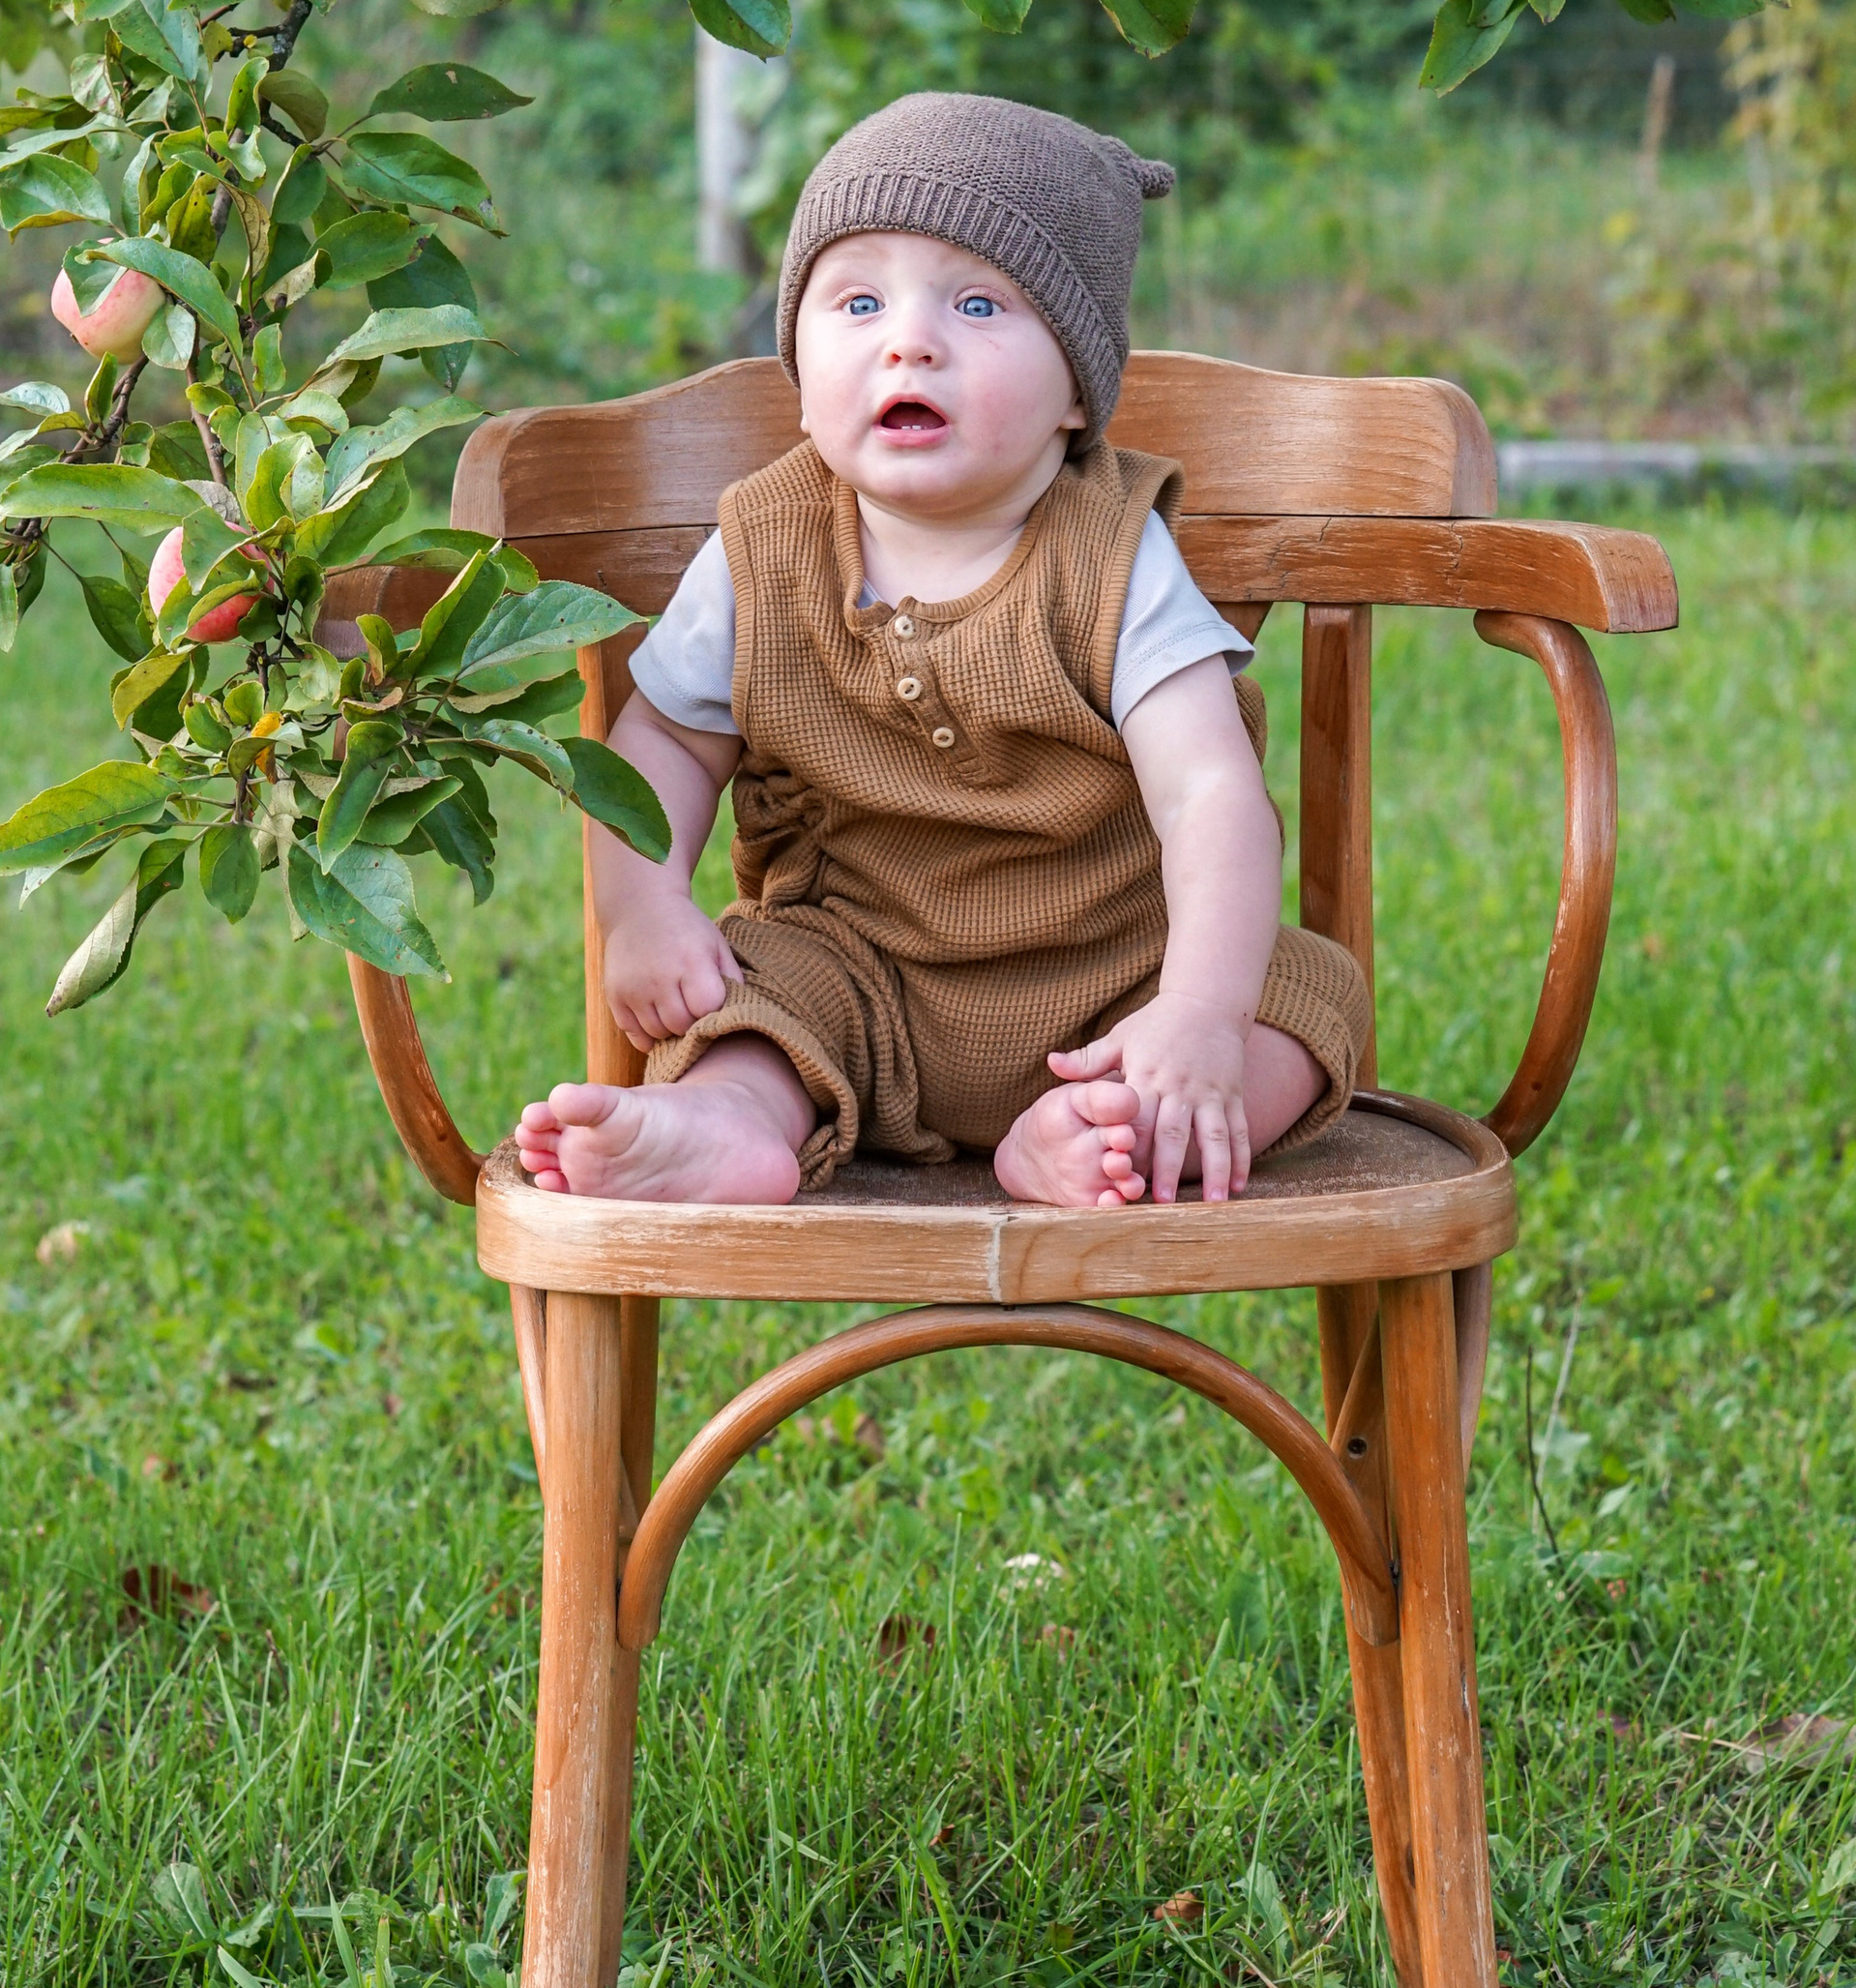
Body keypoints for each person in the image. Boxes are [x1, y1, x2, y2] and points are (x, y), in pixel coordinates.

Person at [514, 92, 1369, 1210]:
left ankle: (1094, 1127)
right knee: (749, 994)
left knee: (1308, 999)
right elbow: (660, 745)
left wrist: (1198, 1015)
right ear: (800, 364)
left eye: (977, 304)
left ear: (1076, 391)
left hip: (1116, 979)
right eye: (857, 299)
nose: (909, 339)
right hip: (854, 972)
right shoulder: (760, 549)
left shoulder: (1114, 558)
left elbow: (1212, 792)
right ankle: (728, 1123)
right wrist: (641, 907)